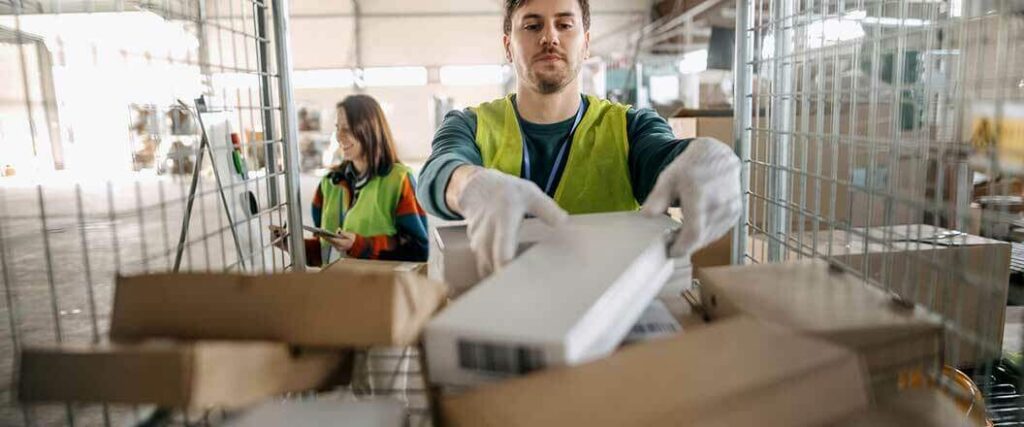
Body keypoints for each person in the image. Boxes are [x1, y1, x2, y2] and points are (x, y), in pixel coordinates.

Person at [416, 0, 741, 276]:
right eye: (532, 26)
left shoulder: (630, 126)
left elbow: (663, 156)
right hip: (498, 307)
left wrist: (701, 157)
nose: (549, 37)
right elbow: (440, 168)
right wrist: (470, 183)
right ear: (507, 46)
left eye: (564, 25)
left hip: (605, 314)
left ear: (585, 44)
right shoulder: (470, 124)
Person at [273, 94, 428, 265]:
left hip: (381, 289)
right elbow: (324, 252)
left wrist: (360, 245)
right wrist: (291, 245)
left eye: (346, 129)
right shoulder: (329, 184)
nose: (338, 137)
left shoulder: (398, 181)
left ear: (369, 129)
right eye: (337, 128)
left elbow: (418, 250)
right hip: (339, 287)